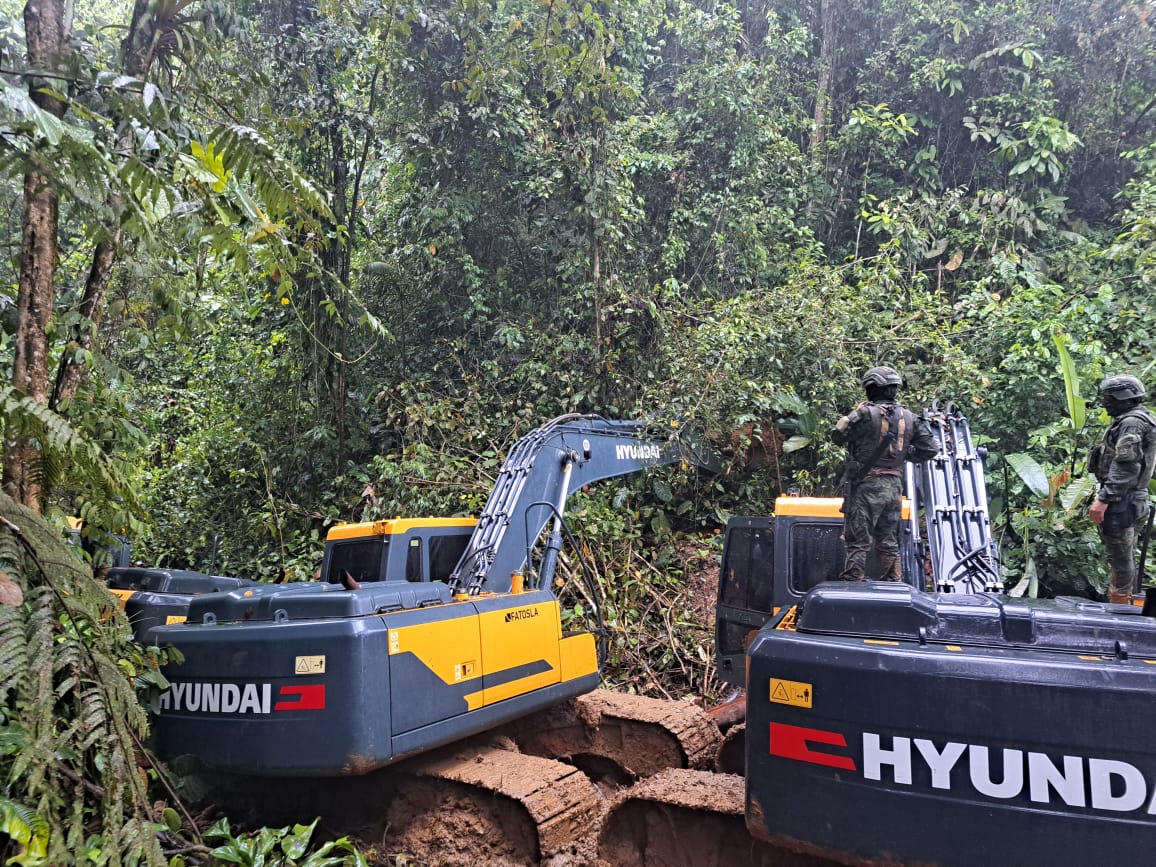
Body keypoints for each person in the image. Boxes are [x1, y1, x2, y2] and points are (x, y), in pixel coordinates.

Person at [831, 366, 938, 582]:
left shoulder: (864, 414)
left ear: (871, 388)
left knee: (857, 541)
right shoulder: (909, 417)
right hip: (894, 488)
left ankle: (852, 585)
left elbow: (838, 437)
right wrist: (904, 454)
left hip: (866, 486)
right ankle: (893, 584)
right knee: (888, 540)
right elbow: (930, 449)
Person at [1088, 374, 1156, 603]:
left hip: (1122, 501)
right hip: (1132, 499)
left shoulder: (1131, 423)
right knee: (1124, 556)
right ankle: (1126, 603)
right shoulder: (1140, 419)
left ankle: (1121, 610)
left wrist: (1103, 499)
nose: (1104, 402)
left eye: (1108, 398)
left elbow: (1126, 467)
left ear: (1123, 398)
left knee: (1120, 560)